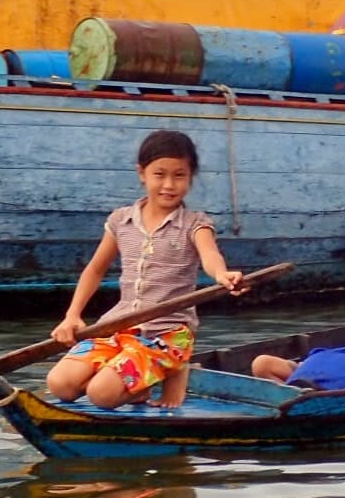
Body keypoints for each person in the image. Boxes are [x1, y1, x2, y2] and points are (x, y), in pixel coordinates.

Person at [47, 129, 243, 409]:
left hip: (167, 334)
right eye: (159, 174)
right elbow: (94, 270)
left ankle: (174, 367)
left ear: (190, 177)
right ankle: (133, 377)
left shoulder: (194, 224)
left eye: (179, 175)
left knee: (100, 394)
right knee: (61, 385)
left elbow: (211, 256)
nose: (169, 185)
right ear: (142, 173)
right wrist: (72, 316)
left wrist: (223, 275)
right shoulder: (121, 221)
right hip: (118, 326)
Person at [252, 345, 345, 390]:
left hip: (308, 375)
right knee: (261, 363)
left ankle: (291, 394)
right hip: (305, 372)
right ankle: (287, 395)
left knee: (261, 363)